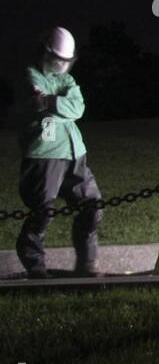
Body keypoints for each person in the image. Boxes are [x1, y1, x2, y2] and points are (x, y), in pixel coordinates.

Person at [16, 27, 104, 279]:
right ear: (45, 53)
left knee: (93, 207)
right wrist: (55, 104)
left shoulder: (67, 81)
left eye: (65, 61)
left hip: (75, 152)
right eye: (57, 59)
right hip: (44, 155)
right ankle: (35, 266)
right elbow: (37, 103)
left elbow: (78, 108)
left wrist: (50, 102)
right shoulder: (31, 75)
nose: (61, 65)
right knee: (42, 212)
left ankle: (87, 264)